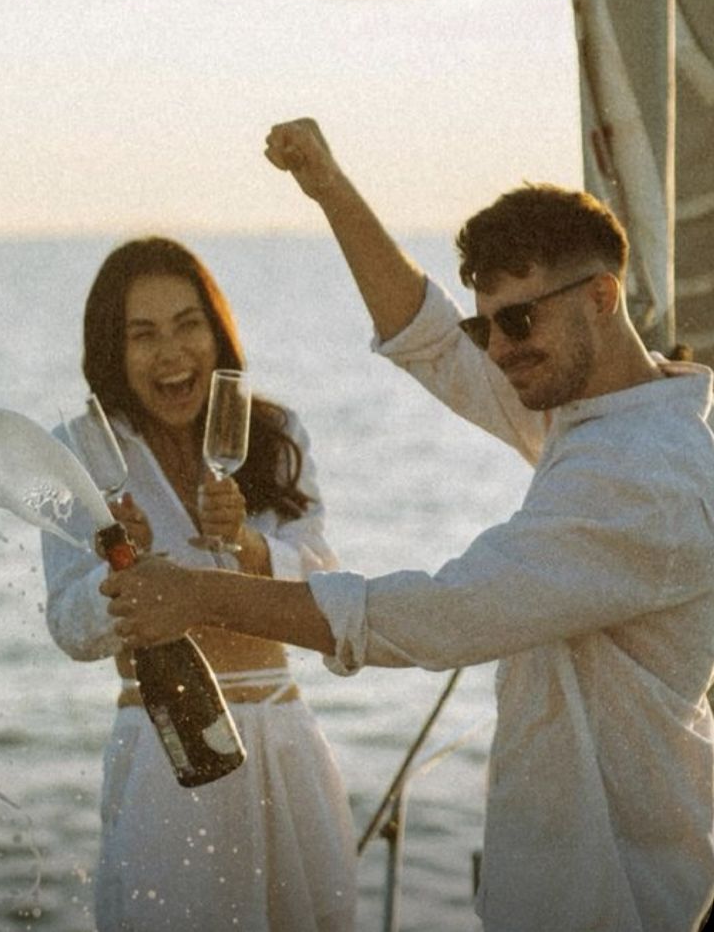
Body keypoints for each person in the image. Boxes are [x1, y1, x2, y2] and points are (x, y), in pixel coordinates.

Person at [102, 122, 714, 932]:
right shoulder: (588, 411)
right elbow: (431, 342)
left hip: (620, 895)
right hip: (557, 884)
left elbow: (433, 617)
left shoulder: (642, 477)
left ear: (601, 297)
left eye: (518, 322)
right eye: (484, 324)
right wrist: (326, 182)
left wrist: (197, 596)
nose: (497, 349)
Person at [41, 235, 357, 932]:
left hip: (284, 739)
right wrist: (117, 564)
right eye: (143, 334)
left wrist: (247, 543)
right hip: (166, 753)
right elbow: (67, 623)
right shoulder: (82, 450)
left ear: (217, 330)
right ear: (112, 351)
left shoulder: (273, 432)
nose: (172, 352)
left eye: (189, 324)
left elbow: (329, 588)